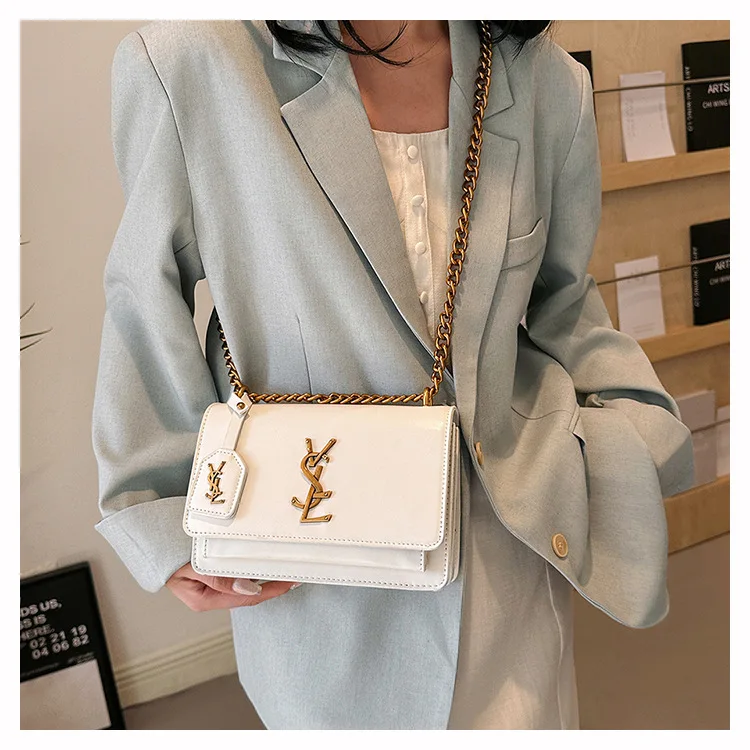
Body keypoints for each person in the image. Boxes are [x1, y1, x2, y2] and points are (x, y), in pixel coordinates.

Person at [92, 20, 695, 730]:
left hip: (508, 561)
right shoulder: (191, 65)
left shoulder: (546, 79)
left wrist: (638, 421)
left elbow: (563, 297)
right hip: (318, 561)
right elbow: (143, 298)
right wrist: (158, 510)